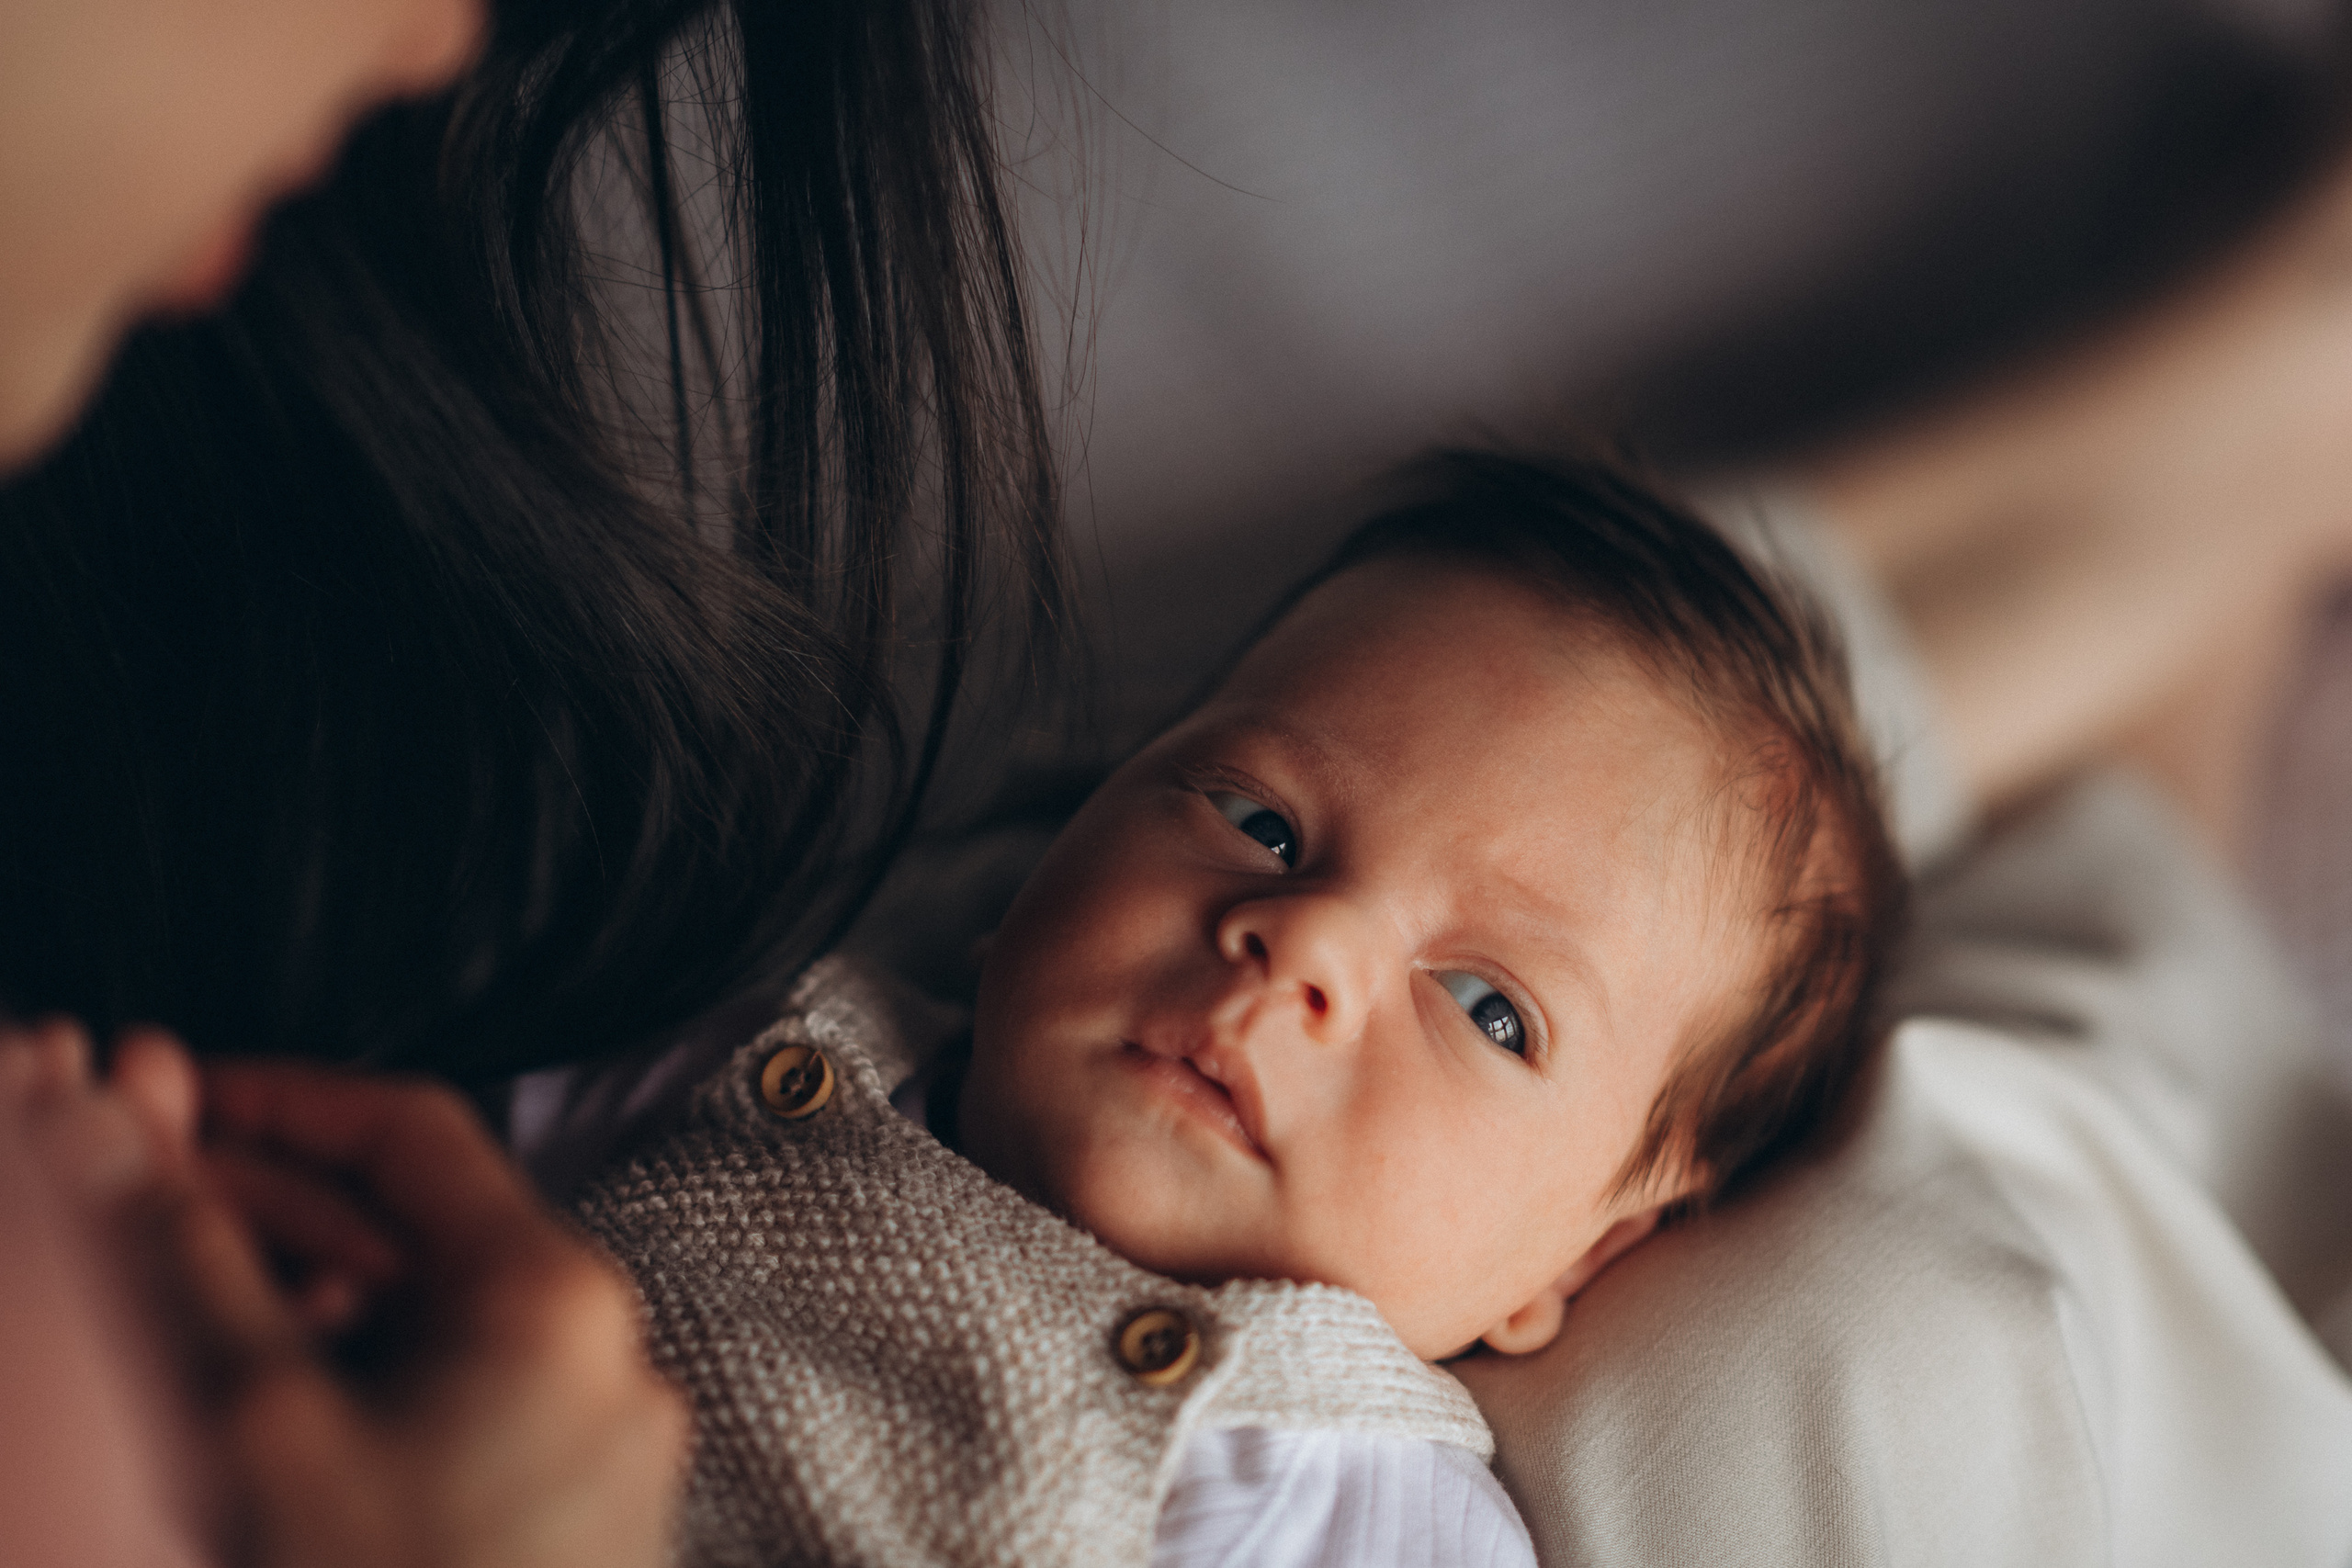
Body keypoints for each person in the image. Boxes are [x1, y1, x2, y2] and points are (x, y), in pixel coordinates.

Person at [556, 451, 1905, 1565]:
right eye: (1260, 820)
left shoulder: (1357, 1510)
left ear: (1577, 1262)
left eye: (1492, 1009)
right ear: (1055, 843)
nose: (1304, 940)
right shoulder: (747, 1043)